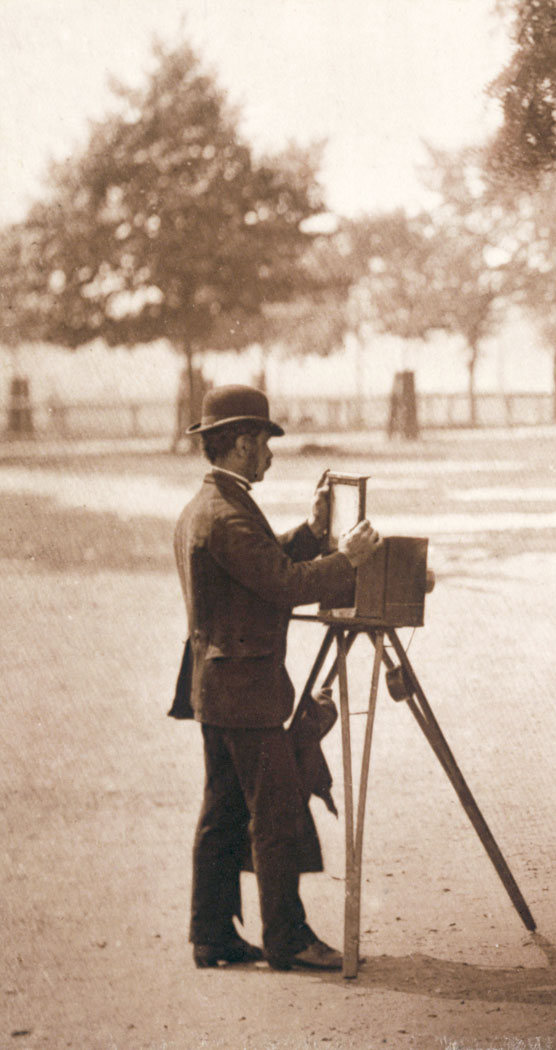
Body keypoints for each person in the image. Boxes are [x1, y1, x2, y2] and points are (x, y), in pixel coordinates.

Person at [172, 384, 381, 970]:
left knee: (222, 813)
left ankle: (212, 934)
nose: (269, 455)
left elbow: (262, 562)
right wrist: (347, 560)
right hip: (245, 692)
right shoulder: (226, 513)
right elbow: (284, 584)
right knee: (277, 812)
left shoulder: (210, 504)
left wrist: (313, 532)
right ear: (241, 444)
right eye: (264, 444)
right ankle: (287, 937)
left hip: (218, 687)